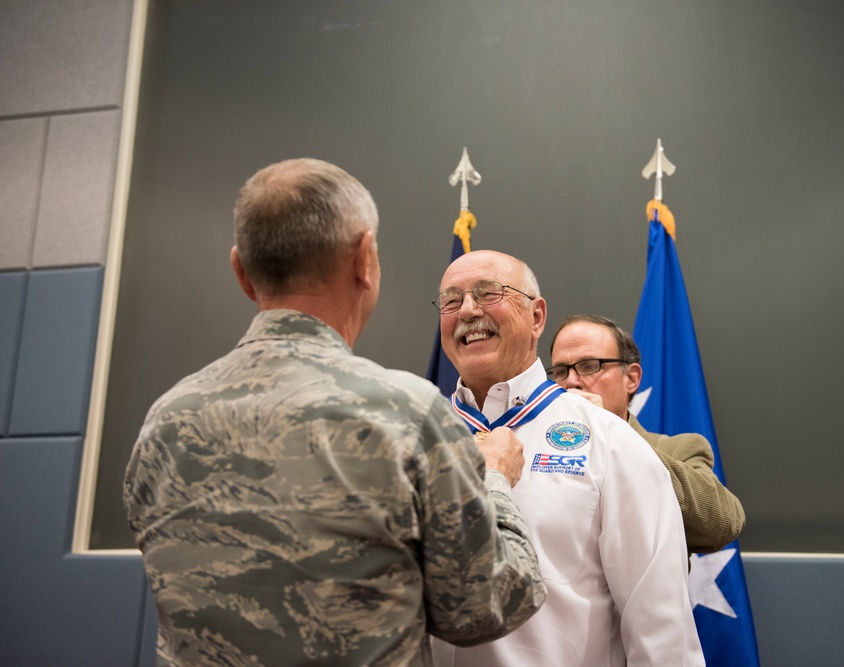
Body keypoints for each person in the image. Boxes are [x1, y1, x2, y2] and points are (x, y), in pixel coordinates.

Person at [122, 158, 546, 667]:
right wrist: (494, 481)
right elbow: (488, 605)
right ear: (364, 259)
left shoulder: (165, 423)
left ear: (241, 270)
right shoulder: (404, 415)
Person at [430, 250, 704, 667]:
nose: (467, 309)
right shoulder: (411, 440)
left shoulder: (610, 442)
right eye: (451, 300)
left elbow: (663, 634)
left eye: (488, 293)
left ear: (537, 317)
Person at [549, 314, 746, 555]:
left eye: (590, 366)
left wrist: (616, 438)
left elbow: (722, 524)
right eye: (560, 371)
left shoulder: (678, 448)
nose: (571, 381)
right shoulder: (532, 448)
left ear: (631, 378)